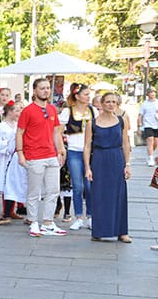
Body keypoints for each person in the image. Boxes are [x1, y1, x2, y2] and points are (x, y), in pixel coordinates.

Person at [16, 78, 67, 237]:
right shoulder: (28, 110)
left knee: (53, 190)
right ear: (35, 91)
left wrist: (60, 150)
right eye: (42, 88)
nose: (46, 91)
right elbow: (19, 133)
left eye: (47, 88)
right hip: (34, 155)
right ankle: (33, 222)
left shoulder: (52, 109)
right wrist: (20, 153)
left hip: (51, 154)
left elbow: (56, 131)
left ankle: (48, 222)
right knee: (34, 191)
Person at [84, 92, 132, 243]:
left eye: (114, 102)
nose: (111, 104)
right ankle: (98, 231)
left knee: (119, 194)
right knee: (99, 195)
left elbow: (125, 143)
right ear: (102, 104)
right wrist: (87, 168)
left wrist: (127, 164)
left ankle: (121, 232)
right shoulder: (92, 123)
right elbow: (86, 146)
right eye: (108, 102)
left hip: (117, 158)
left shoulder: (121, 120)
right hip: (99, 159)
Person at [60, 83, 94, 230]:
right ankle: (79, 216)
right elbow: (58, 130)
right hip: (74, 151)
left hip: (91, 152)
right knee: (78, 186)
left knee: (90, 186)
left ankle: (91, 216)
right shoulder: (68, 112)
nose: (88, 97)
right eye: (86, 94)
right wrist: (62, 147)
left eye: (89, 94)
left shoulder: (93, 111)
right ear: (77, 96)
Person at [0, 101, 27, 224]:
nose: (19, 113)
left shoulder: (18, 125)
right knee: (6, 183)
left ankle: (12, 210)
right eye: (16, 110)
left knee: (15, 183)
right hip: (6, 157)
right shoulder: (0, 127)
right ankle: (6, 212)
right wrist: (7, 145)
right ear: (10, 112)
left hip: (17, 157)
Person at [138, 88, 158, 166]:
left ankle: (150, 154)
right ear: (147, 94)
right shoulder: (144, 104)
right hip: (147, 125)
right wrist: (139, 127)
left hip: (156, 125)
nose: (152, 94)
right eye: (150, 92)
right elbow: (140, 115)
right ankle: (151, 158)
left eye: (154, 92)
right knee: (150, 140)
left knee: (156, 143)